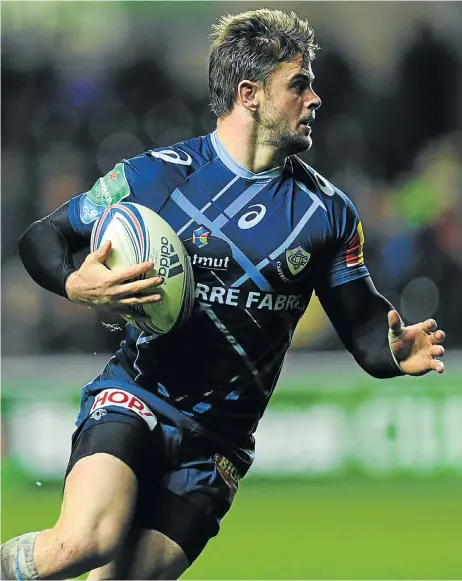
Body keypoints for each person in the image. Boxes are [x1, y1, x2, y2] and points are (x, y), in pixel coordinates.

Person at [1, 8, 446, 581]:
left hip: (219, 443)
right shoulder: (156, 177)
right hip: (138, 396)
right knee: (85, 542)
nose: (315, 100)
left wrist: (395, 352)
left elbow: (363, 329)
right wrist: (75, 283)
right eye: (299, 84)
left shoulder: (327, 214)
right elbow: (42, 238)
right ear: (250, 94)